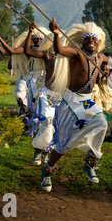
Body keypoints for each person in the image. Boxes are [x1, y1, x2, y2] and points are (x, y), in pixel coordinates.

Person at [40, 18, 111, 192]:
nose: (91, 41)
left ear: (99, 42)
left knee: (102, 123)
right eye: (88, 39)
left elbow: (111, 63)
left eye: (94, 39)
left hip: (87, 102)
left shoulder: (101, 57)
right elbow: (59, 49)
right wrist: (56, 33)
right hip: (71, 100)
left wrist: (108, 71)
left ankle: (90, 163)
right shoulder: (77, 53)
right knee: (65, 142)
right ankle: (48, 170)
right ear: (82, 41)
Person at [22, 23, 64, 166]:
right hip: (47, 95)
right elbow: (27, 51)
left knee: (55, 127)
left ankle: (45, 152)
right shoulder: (47, 56)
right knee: (47, 124)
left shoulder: (67, 59)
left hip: (60, 97)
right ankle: (38, 151)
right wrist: (30, 32)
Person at [0, 29, 44, 124]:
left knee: (37, 99)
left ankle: (35, 120)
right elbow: (8, 51)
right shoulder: (27, 49)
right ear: (32, 40)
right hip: (28, 75)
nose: (38, 41)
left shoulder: (45, 51)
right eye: (35, 39)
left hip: (41, 77)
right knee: (20, 92)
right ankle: (23, 111)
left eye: (40, 39)